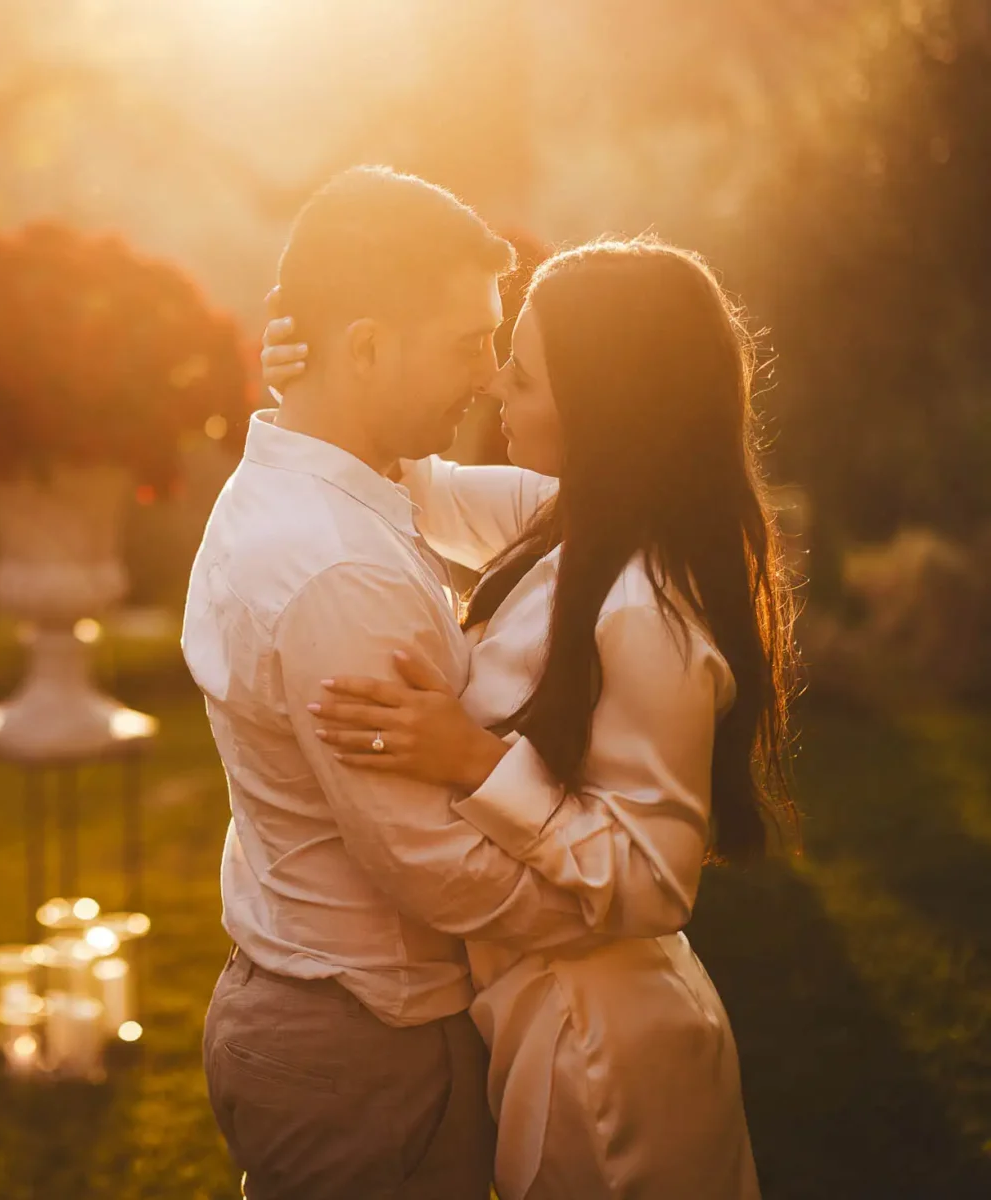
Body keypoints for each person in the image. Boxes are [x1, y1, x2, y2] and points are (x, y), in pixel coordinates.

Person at [261, 235, 794, 1198]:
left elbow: (654, 881)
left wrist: (473, 760)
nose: (495, 389)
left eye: (522, 374)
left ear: (604, 404)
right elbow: (405, 480)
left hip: (607, 1059)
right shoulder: (571, 518)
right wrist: (318, 383)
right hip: (544, 1018)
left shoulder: (647, 610)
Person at [189, 165, 651, 1200]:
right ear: (363, 348)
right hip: (369, 1054)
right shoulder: (336, 567)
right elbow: (434, 863)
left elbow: (545, 503)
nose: (487, 377)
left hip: (323, 1020)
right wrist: (615, 908)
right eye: (468, 344)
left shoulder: (314, 483)